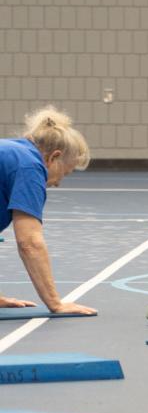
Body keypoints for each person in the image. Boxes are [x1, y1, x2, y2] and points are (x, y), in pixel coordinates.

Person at [0, 106, 96, 315]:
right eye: (64, 173)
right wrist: (55, 303)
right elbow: (30, 243)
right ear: (54, 157)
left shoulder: (14, 153)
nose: (58, 182)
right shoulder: (29, 166)